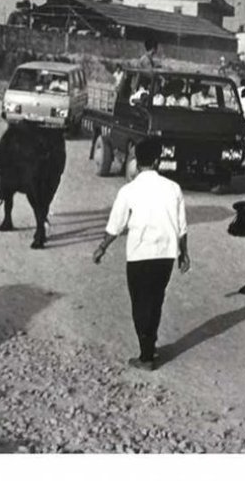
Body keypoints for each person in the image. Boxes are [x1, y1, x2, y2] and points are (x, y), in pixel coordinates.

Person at [92, 137, 189, 371]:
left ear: (137, 161)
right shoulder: (173, 188)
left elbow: (115, 226)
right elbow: (181, 226)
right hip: (165, 254)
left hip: (139, 255)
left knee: (140, 304)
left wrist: (102, 247)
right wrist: (184, 254)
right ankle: (150, 346)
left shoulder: (128, 190)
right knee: (156, 300)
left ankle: (146, 357)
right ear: (157, 161)